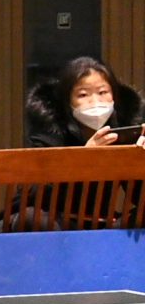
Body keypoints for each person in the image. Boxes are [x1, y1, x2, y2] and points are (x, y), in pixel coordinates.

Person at [9, 56, 145, 229]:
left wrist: (140, 163)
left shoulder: (122, 133)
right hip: (55, 219)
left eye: (103, 92)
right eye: (83, 94)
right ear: (68, 101)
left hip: (102, 222)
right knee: (34, 218)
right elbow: (33, 194)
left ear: (114, 97)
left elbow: (138, 198)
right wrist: (83, 160)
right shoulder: (49, 134)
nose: (95, 101)